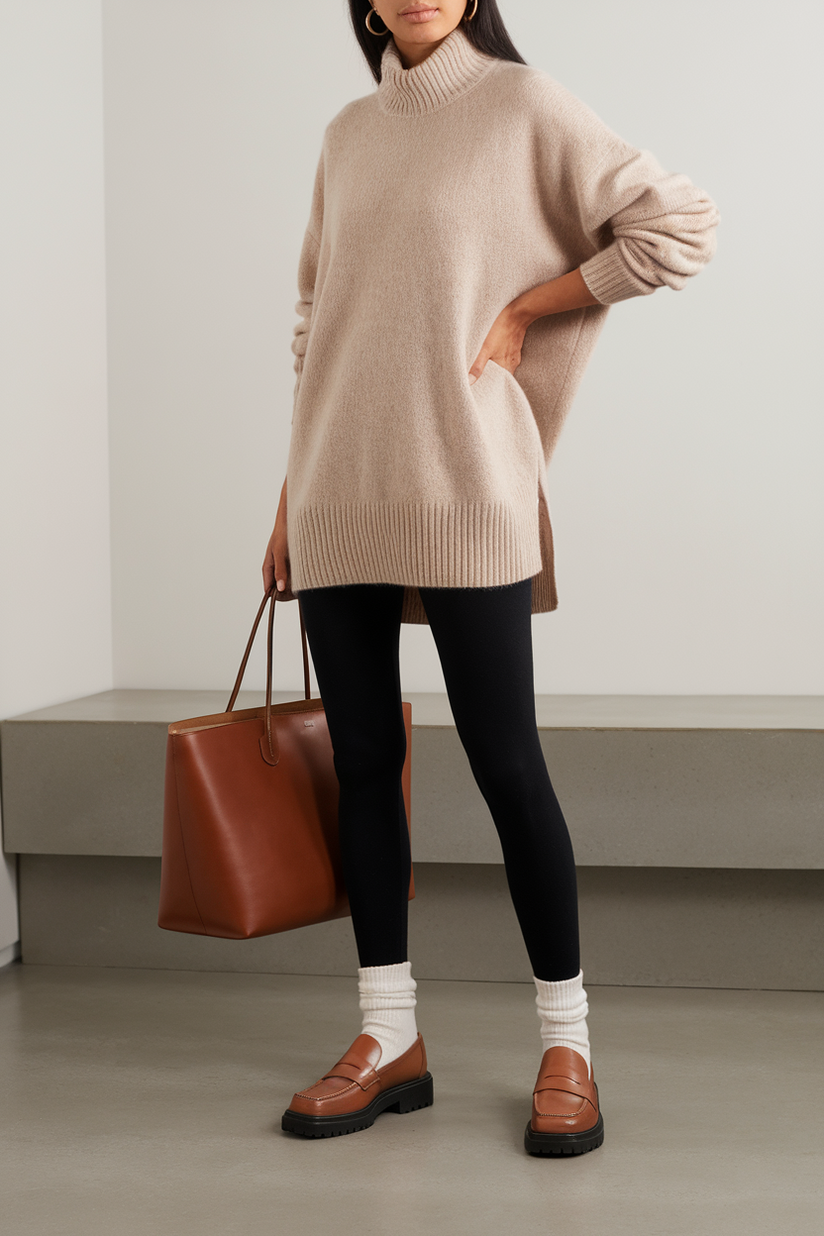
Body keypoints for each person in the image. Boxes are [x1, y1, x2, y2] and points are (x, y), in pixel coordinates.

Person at [264, 0, 719, 1154]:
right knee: (362, 762)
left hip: (463, 482)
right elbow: (318, 325)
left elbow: (675, 227)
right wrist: (286, 499)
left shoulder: (523, 106)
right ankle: (386, 1037)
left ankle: (565, 1042)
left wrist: (526, 308)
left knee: (507, 763)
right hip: (335, 492)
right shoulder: (346, 134)